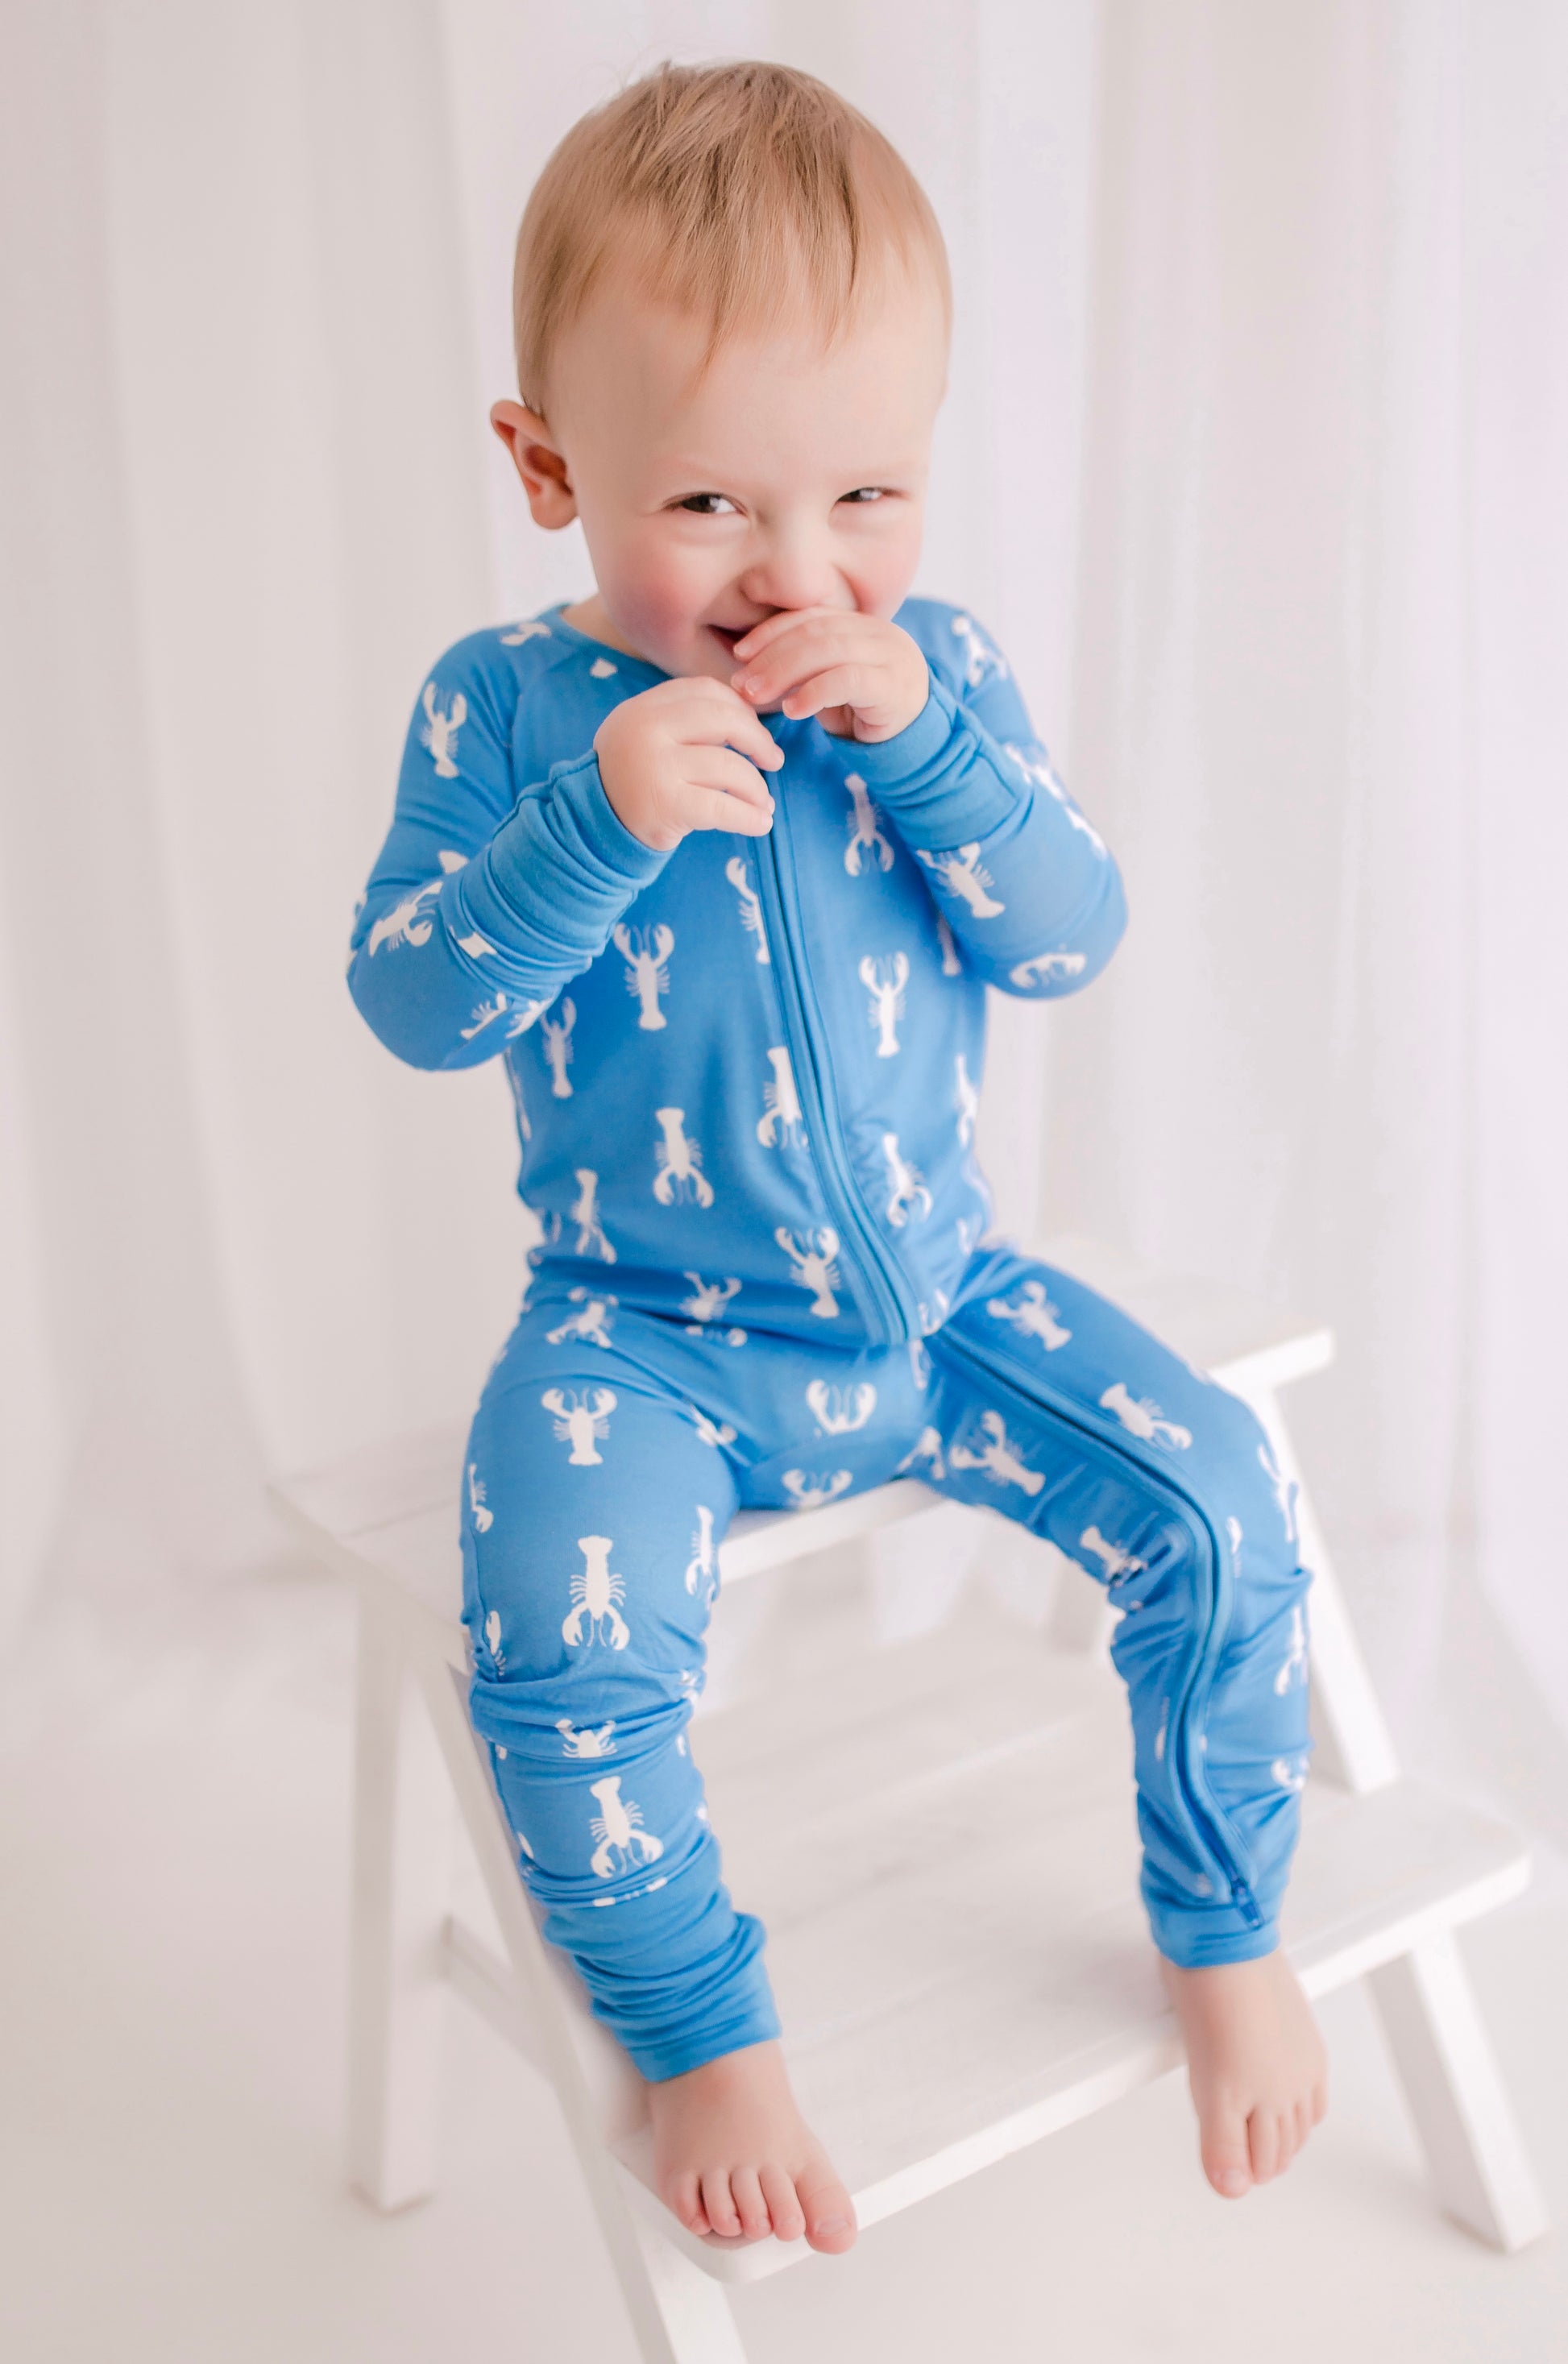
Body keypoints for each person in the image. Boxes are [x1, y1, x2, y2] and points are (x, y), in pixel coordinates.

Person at [346, 57, 1327, 2258]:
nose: (799, 572)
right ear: (545, 464)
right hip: (646, 1335)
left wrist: (937, 745)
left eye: (867, 495)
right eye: (711, 509)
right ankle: (702, 2036)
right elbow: (414, 1000)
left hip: (948, 1300)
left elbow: (1070, 936)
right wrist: (584, 824)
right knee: (554, 1667)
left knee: (1230, 1506)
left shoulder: (931, 674)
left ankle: (1220, 1924)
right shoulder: (502, 715)